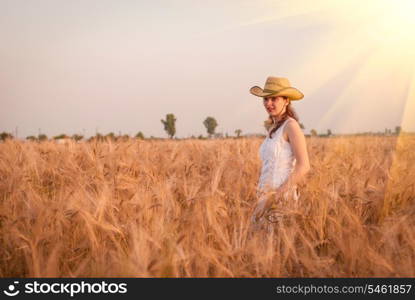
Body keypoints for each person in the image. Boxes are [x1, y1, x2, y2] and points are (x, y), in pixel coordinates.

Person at [249, 76, 310, 228]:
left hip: (281, 200)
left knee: (277, 244)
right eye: (266, 99)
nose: (268, 103)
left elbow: (304, 166)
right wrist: (263, 198)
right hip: (264, 198)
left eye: (274, 99)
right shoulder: (273, 128)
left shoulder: (291, 126)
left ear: (286, 100)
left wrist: (276, 196)